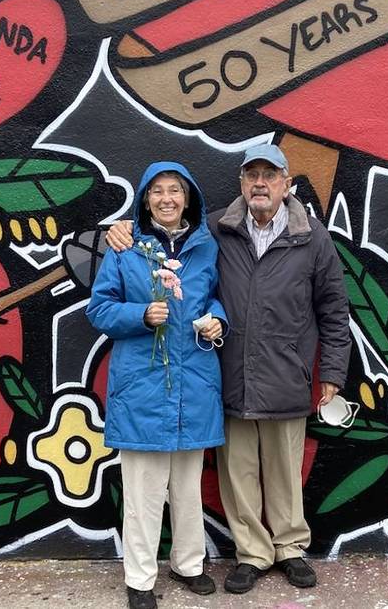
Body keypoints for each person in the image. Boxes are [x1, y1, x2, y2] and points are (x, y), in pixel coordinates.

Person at [107, 144, 351, 594]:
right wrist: (119, 230)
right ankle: (253, 554)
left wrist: (332, 373)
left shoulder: (312, 235)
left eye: (270, 175)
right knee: (237, 474)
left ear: (286, 184)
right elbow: (155, 238)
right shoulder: (217, 229)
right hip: (230, 372)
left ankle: (290, 548)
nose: (261, 183)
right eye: (252, 175)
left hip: (284, 372)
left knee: (284, 469)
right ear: (241, 182)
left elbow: (334, 309)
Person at [86, 162, 227, 609]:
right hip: (142, 387)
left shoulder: (206, 248)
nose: (167, 198)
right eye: (158, 191)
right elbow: (99, 308)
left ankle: (189, 564)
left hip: (194, 383)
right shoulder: (125, 249)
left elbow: (217, 298)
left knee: (188, 488)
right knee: (143, 494)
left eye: (176, 191)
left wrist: (216, 322)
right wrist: (140, 315)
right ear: (146, 200)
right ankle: (140, 578)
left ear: (189, 199)